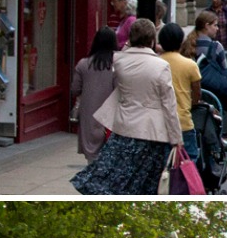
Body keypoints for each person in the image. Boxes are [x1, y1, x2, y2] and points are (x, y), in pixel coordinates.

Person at [72, 18, 182, 195]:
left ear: (130, 39)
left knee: (117, 179)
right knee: (146, 185)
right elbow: (169, 106)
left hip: (124, 127)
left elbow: (123, 51)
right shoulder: (161, 67)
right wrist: (176, 138)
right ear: (153, 40)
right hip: (152, 134)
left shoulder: (120, 61)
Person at [157, 22, 204, 165]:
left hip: (160, 123)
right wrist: (192, 103)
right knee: (189, 159)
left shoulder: (155, 63)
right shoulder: (190, 65)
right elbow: (197, 93)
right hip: (183, 121)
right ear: (181, 41)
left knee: (163, 162)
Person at [70, 27, 118, 163]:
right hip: (111, 117)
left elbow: (75, 89)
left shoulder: (83, 65)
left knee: (92, 157)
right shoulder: (117, 65)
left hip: (89, 116)